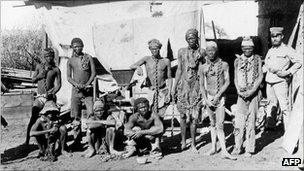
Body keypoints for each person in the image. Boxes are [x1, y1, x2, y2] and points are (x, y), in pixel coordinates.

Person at [200, 41, 236, 160]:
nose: (210, 52)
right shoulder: (203, 67)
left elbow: (227, 81)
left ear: (216, 51)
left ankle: (224, 151)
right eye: (208, 50)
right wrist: (206, 99)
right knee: (212, 123)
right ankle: (213, 148)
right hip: (209, 98)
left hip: (220, 98)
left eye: (213, 50)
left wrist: (219, 95)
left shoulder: (224, 65)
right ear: (206, 52)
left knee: (220, 124)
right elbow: (202, 85)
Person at [171, 28, 205, 153]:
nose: (191, 40)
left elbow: (202, 71)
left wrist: (201, 59)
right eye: (189, 38)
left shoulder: (202, 52)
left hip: (195, 86)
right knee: (183, 115)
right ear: (186, 39)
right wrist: (174, 88)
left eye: (193, 38)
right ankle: (184, 141)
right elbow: (179, 69)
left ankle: (194, 145)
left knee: (194, 117)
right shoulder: (181, 51)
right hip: (183, 86)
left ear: (197, 38)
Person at [264, 27, 302, 131]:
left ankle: (288, 133)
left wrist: (288, 72)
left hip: (280, 82)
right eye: (272, 37)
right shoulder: (271, 50)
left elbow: (299, 61)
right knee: (271, 104)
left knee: (285, 108)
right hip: (269, 81)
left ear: (282, 36)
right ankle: (270, 126)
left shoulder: (287, 49)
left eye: (277, 36)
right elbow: (266, 66)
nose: (274, 39)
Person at [232, 37, 263, 156]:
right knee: (239, 122)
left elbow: (260, 76)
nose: (247, 50)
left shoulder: (257, 59)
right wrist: (238, 90)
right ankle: (237, 147)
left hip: (253, 94)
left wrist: (253, 90)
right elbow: (235, 77)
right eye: (245, 48)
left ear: (253, 48)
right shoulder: (237, 60)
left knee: (251, 121)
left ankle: (249, 148)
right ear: (242, 48)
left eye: (249, 48)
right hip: (241, 95)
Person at [25, 48, 62, 145]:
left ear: (53, 57)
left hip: (49, 98)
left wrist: (53, 92)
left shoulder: (56, 69)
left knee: (52, 119)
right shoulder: (39, 67)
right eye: (47, 56)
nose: (49, 58)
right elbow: (33, 80)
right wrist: (40, 76)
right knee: (33, 117)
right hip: (39, 97)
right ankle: (27, 141)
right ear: (44, 57)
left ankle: (55, 140)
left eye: (51, 56)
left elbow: (58, 84)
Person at [130, 39, 172, 118]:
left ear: (159, 49)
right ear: (150, 50)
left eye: (156, 48)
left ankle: (160, 126)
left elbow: (169, 78)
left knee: (161, 112)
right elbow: (132, 66)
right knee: (150, 111)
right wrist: (138, 67)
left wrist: (169, 93)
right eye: (152, 49)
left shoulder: (166, 61)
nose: (154, 51)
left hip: (162, 90)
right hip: (151, 90)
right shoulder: (146, 59)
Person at [67, 38, 96, 151]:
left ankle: (92, 141)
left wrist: (87, 84)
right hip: (76, 91)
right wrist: (76, 85)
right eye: (75, 46)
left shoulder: (88, 58)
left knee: (91, 114)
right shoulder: (70, 61)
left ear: (83, 46)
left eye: (79, 46)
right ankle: (77, 140)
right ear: (72, 47)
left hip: (88, 90)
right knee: (75, 116)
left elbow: (93, 73)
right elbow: (69, 77)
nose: (77, 48)